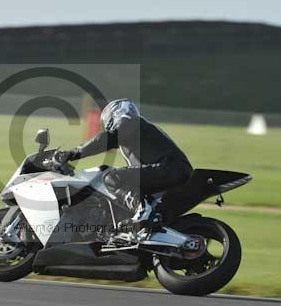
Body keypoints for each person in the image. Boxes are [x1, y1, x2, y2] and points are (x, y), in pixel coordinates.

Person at [58, 99, 193, 232]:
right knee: (119, 179)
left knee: (112, 177)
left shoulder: (130, 121)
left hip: (170, 169)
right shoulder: (136, 132)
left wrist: (74, 153)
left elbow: (110, 137)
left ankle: (144, 212)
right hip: (170, 170)